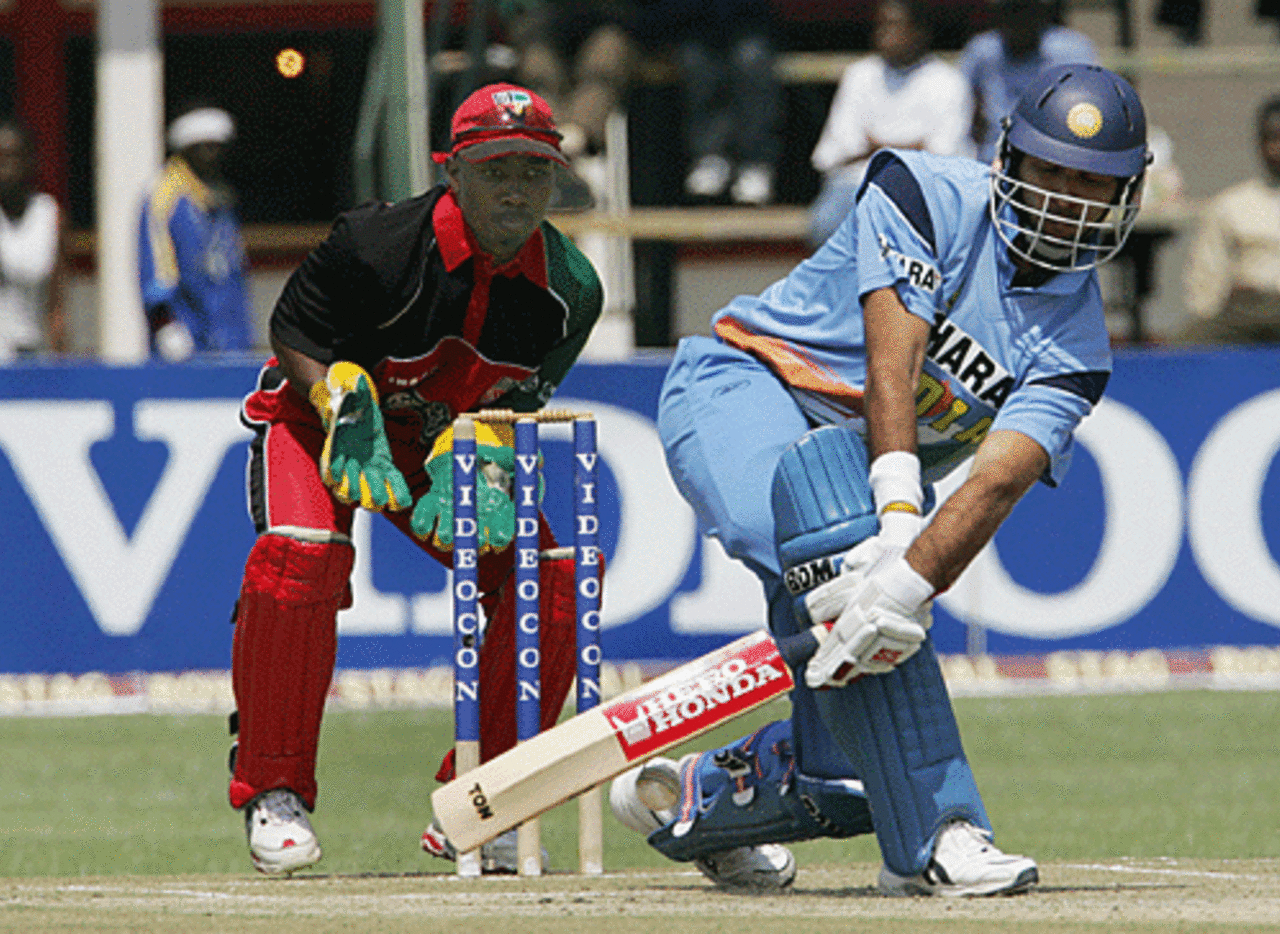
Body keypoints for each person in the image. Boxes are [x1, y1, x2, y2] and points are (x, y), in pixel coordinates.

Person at [609, 64, 1149, 894]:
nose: (1066, 200)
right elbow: (889, 367)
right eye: (1050, 172)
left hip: (860, 488)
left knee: (850, 774)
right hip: (748, 386)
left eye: (1091, 183)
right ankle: (943, 833)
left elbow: (994, 483)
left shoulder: (1077, 349)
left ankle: (701, 796)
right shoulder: (924, 191)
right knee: (830, 547)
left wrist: (907, 582)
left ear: (1126, 194)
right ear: (1008, 157)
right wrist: (896, 528)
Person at [227, 83, 603, 875]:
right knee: (302, 556)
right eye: (495, 169)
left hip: (441, 443)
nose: (516, 189)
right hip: (325, 418)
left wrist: (491, 454)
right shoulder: (376, 242)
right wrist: (334, 396)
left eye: (534, 170)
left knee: (557, 577)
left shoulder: (571, 290)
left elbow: (519, 397)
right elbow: (294, 330)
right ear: (452, 172)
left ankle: (485, 798)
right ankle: (273, 790)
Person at [808, 0, 973, 247]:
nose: (884, 34)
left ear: (920, 31)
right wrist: (912, 147)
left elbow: (944, 154)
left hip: (921, 188)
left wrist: (877, 147)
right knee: (825, 224)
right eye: (880, 26)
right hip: (857, 183)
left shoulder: (948, 80)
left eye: (895, 25)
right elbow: (842, 147)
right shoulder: (859, 75)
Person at [138, 103, 252, 361]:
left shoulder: (221, 197)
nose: (214, 155)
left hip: (229, 338)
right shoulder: (165, 195)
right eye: (205, 147)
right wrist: (166, 324)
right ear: (186, 149)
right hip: (187, 337)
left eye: (218, 147)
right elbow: (155, 267)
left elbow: (232, 267)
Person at [639, 0, 782, 205]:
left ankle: (755, 163)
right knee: (695, 60)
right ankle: (711, 158)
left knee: (751, 58)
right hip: (695, 26)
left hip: (749, 24)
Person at [1180, 95, 1280, 344]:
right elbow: (1206, 276)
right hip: (1246, 312)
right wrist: (1208, 313)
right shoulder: (1230, 204)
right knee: (1185, 347)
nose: (1276, 149)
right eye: (1270, 138)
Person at [957, 0, 1098, 164]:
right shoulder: (982, 50)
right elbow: (964, 106)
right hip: (994, 159)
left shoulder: (1072, 49)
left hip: (1054, 159)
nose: (1020, 18)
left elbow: (1091, 109)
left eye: (1028, 9)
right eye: (1012, 9)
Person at [0, 120, 64, 362]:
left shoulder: (48, 213)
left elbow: (56, 302)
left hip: (35, 354)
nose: (6, 168)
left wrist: (61, 364)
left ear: (31, 161)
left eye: (13, 158)